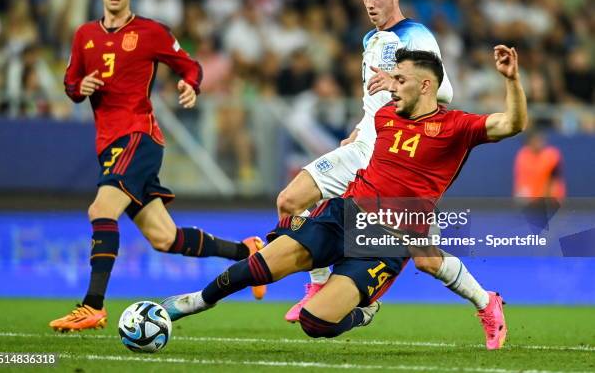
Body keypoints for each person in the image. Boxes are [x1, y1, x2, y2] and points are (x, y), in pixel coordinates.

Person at [162, 45, 526, 350]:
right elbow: (368, 135)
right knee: (261, 265)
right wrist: (355, 136)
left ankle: (365, 311)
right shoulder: (385, 115)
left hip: (386, 241)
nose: (394, 88)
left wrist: (511, 80)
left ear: (427, 85)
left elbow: (512, 124)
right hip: (343, 215)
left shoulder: (456, 126)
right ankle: (194, 302)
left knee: (313, 323)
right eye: (393, 79)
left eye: (401, 80)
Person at [49, 0, 265, 333]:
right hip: (108, 145)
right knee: (165, 239)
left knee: (102, 209)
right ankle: (247, 252)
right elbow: (70, 84)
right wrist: (79, 87)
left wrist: (190, 85)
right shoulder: (84, 35)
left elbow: (190, 66)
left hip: (138, 136)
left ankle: (92, 305)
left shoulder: (151, 32)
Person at [277, 0, 489, 325]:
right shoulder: (370, 39)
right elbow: (371, 100)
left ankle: (487, 304)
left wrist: (396, 82)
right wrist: (360, 127)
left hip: (397, 156)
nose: (370, 3)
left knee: (425, 258)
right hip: (363, 147)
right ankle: (318, 285)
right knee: (290, 200)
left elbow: (444, 91)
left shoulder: (416, 35)